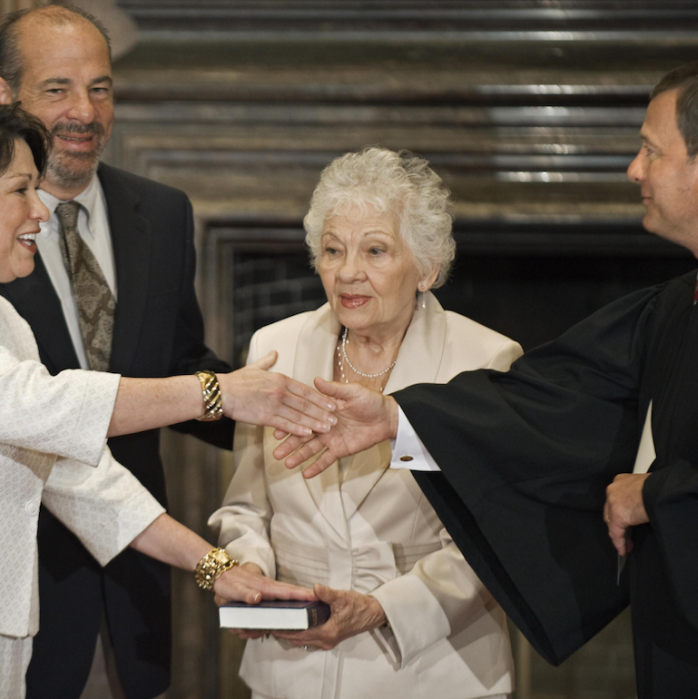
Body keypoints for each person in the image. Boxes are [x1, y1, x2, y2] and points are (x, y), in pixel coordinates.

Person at [274, 60, 698, 698]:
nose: (634, 170)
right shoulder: (685, 299)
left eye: (650, 150)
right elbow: (556, 396)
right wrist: (398, 418)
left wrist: (653, 497)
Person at [0, 100, 331, 698]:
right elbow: (36, 405)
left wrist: (217, 568)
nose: (41, 212)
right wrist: (215, 393)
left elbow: (80, 478)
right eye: (21, 190)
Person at [0, 6, 235, 698]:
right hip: (13, 584)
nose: (84, 112)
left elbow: (180, 367)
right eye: (58, 88)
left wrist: (283, 417)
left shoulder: (162, 213)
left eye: (100, 88)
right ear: (3, 97)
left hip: (135, 579)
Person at [209, 147, 521, 699]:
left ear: (426, 267)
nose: (348, 271)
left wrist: (380, 609)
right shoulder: (273, 348)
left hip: (430, 669)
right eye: (333, 250)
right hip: (292, 668)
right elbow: (245, 508)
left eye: (375, 250)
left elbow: (497, 544)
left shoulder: (485, 363)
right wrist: (249, 570)